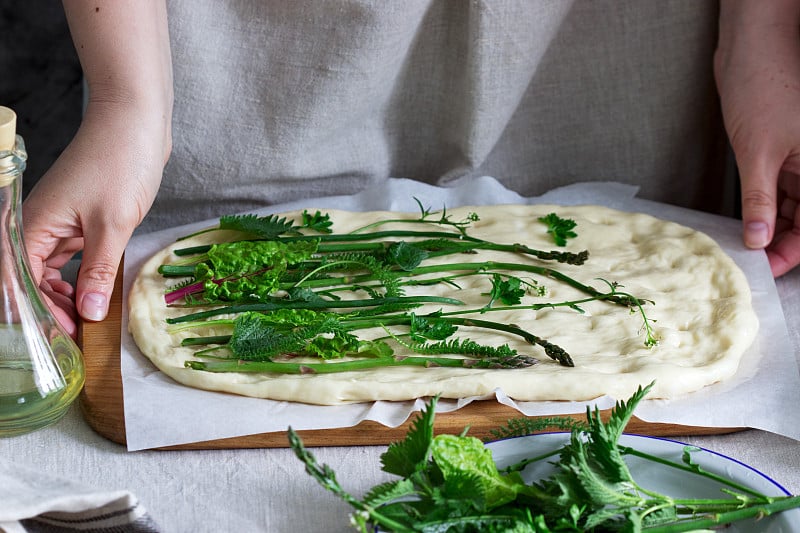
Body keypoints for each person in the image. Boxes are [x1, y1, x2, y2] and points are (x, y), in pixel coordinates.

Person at [20, 0, 800, 339]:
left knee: (634, 287)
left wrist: (763, 34)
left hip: (601, 38)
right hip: (258, 62)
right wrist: (132, 101)